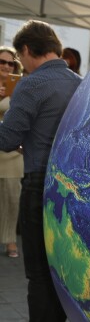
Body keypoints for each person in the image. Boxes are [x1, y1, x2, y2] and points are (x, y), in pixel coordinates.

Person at [0, 20, 82, 322]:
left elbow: (7, 139)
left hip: (38, 184)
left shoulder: (32, 85)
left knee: (37, 272)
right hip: (70, 187)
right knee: (59, 271)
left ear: (26, 51)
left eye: (19, 59)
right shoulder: (80, 82)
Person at [0, 46, 24, 258]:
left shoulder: (20, 87)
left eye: (11, 63)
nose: (7, 66)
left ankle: (9, 241)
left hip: (13, 154)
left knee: (11, 199)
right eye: (2, 62)